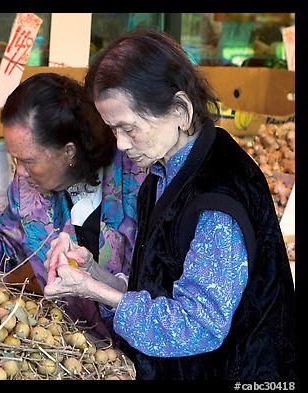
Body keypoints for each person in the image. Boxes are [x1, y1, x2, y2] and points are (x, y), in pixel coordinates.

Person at [44, 29, 295, 380]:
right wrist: (93, 274)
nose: (120, 144)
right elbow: (159, 290)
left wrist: (93, 291)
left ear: (180, 109)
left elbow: (196, 325)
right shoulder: (166, 171)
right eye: (113, 129)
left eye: (129, 128)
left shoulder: (216, 200)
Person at [0, 72, 146, 341]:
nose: (21, 172)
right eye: (15, 160)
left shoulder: (137, 178)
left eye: (29, 160)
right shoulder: (27, 189)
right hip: (72, 346)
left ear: (68, 152)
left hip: (140, 345)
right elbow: (7, 247)